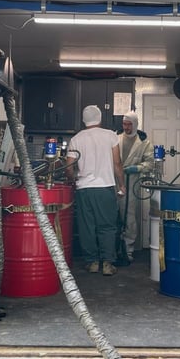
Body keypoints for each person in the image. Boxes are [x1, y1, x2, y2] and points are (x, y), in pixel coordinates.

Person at [66, 105, 126, 276]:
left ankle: (92, 262)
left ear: (84, 120)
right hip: (105, 187)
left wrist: (73, 179)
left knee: (87, 226)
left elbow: (69, 167)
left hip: (84, 189)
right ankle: (107, 264)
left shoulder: (76, 139)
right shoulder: (110, 136)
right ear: (100, 118)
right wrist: (121, 184)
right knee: (107, 226)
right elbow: (117, 163)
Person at [117, 110, 154, 261]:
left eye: (129, 124)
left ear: (135, 124)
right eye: (124, 124)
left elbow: (150, 163)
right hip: (114, 181)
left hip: (131, 183)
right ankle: (114, 248)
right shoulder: (115, 138)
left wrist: (136, 168)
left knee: (129, 216)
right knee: (113, 215)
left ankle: (128, 249)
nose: (126, 127)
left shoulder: (144, 143)